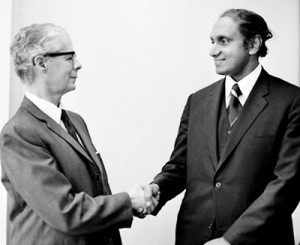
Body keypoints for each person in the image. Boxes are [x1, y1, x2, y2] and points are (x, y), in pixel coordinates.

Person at [143, 8, 300, 245]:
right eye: (212, 41)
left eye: (224, 41)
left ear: (254, 44)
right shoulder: (197, 101)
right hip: (194, 237)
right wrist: (157, 189)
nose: (213, 51)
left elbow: (287, 185)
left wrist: (231, 240)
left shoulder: (291, 101)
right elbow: (179, 166)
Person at [0, 23, 148, 245]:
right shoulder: (18, 133)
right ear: (41, 63)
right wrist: (129, 202)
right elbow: (64, 211)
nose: (78, 65)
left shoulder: (76, 121)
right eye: (69, 58)